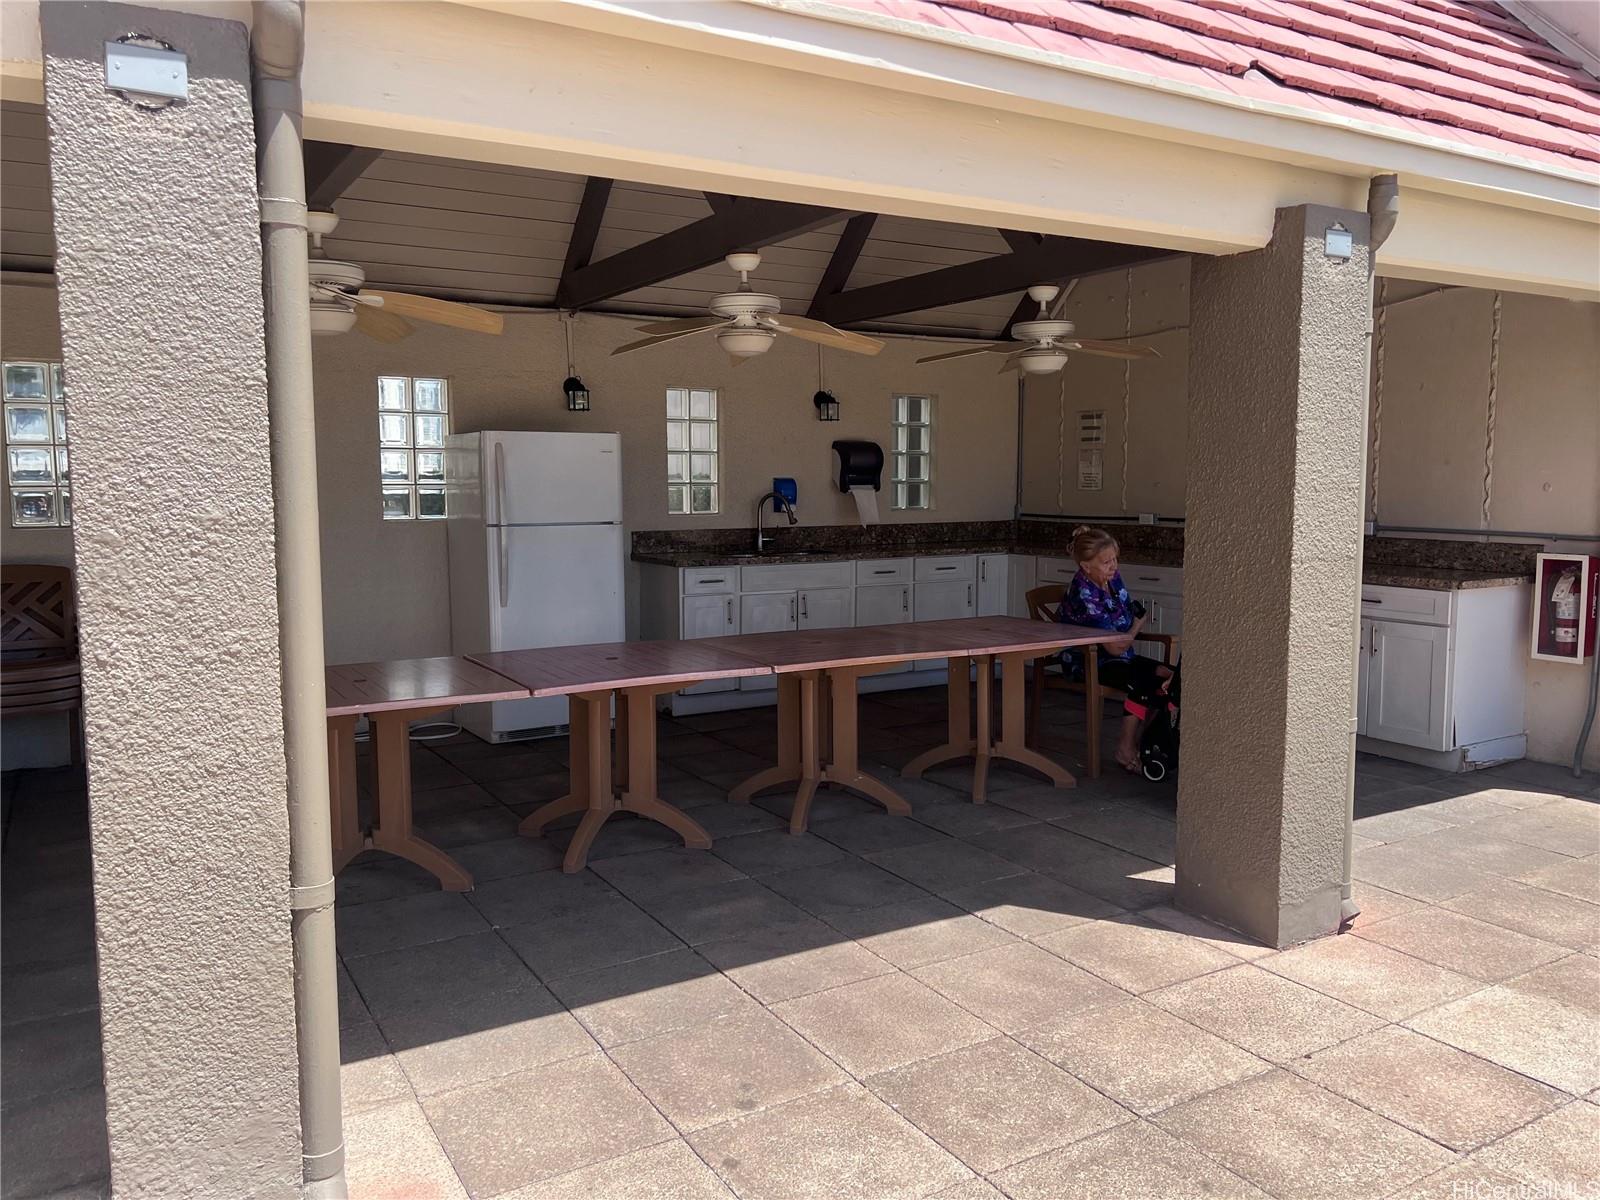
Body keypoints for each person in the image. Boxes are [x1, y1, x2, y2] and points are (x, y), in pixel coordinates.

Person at [1055, 525, 1172, 774]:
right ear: (1086, 566)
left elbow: (1123, 627)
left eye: (1115, 559)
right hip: (1090, 661)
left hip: (1121, 657)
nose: (1113, 566)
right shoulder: (1084, 591)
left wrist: (1130, 629)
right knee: (1142, 684)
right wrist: (1138, 625)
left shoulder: (1112, 579)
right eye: (1106, 562)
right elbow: (1115, 647)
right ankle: (1125, 748)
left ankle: (1145, 741)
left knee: (1172, 677)